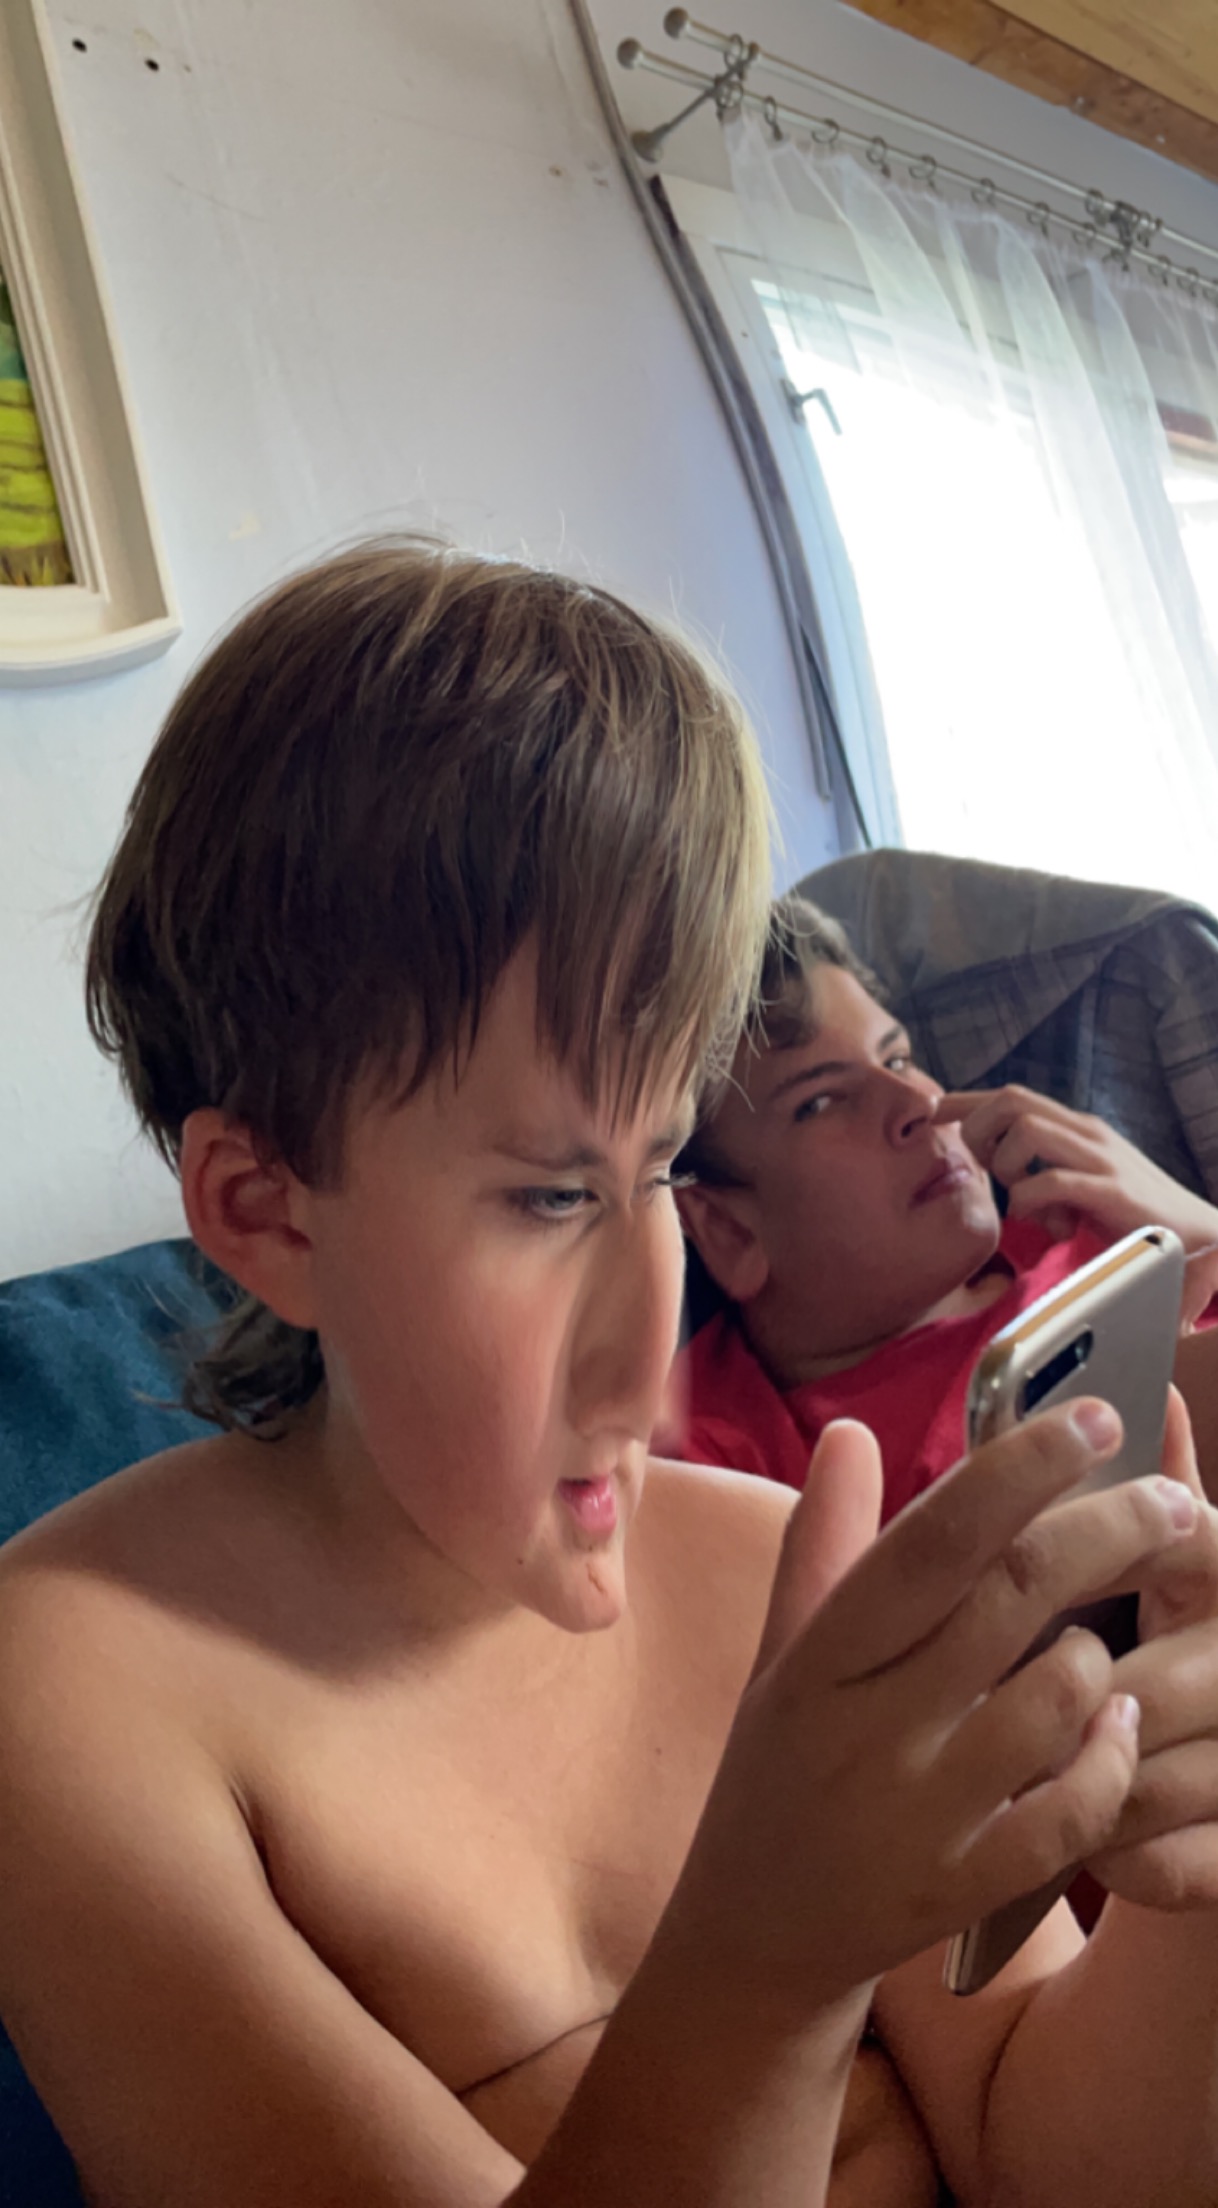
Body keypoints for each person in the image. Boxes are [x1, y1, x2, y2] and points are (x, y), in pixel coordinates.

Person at [1, 545, 1218, 2208]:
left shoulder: (764, 1562)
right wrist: (767, 1961)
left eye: (653, 1172)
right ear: (266, 1213)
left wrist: (1185, 1913)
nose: (649, 1339)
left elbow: (1045, 2145)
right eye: (550, 1197)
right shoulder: (76, 1694)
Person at [672, 893, 1218, 1518]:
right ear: (728, 1230)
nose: (916, 1103)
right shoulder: (715, 1455)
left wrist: (1196, 1220)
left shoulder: (1103, 1221)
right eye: (820, 1102)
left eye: (899, 1059)